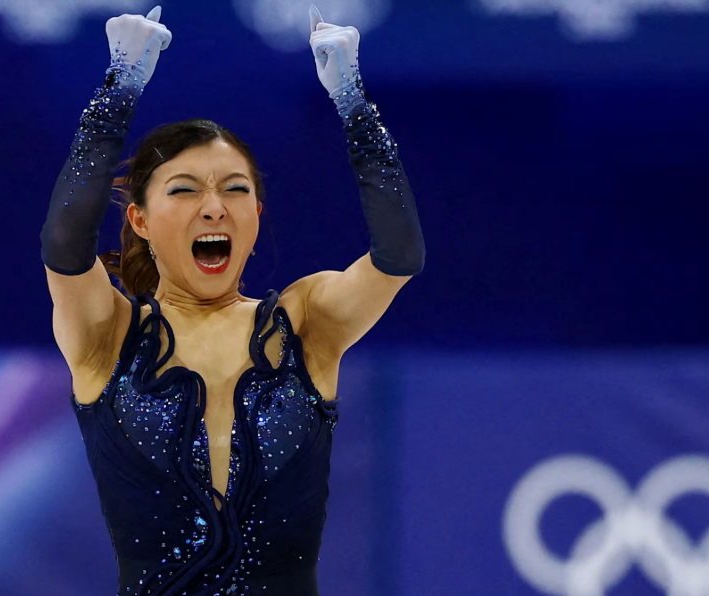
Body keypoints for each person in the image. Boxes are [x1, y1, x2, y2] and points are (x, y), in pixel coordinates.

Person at [39, 5, 424, 595]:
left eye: (235, 190)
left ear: (256, 217)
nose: (214, 207)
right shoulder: (108, 336)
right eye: (185, 190)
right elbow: (64, 244)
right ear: (139, 219)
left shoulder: (306, 323)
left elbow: (399, 253)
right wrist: (120, 84)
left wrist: (352, 101)